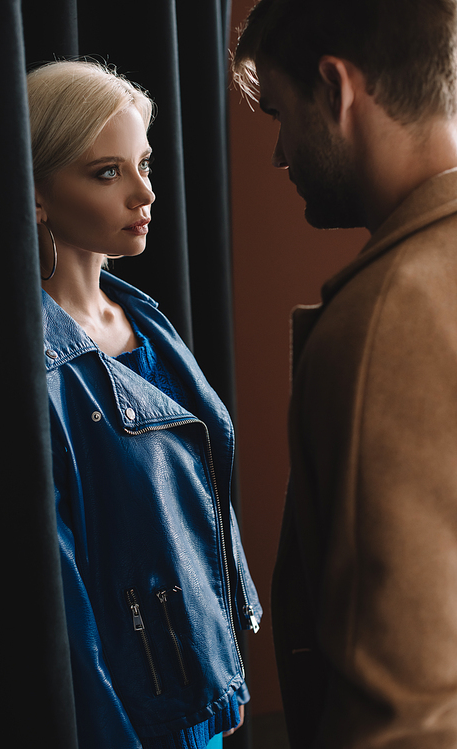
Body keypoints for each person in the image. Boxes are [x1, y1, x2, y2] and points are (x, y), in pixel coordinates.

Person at [233, 0, 457, 746]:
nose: (279, 154)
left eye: (281, 113)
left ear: (338, 89)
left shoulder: (387, 320)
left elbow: (407, 717)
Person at [27, 60, 261, 749]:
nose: (144, 192)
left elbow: (200, 505)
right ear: (37, 194)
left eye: (145, 164)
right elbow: (62, 601)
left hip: (197, 689)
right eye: (108, 172)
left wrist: (222, 666)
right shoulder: (35, 364)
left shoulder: (145, 319)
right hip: (130, 717)